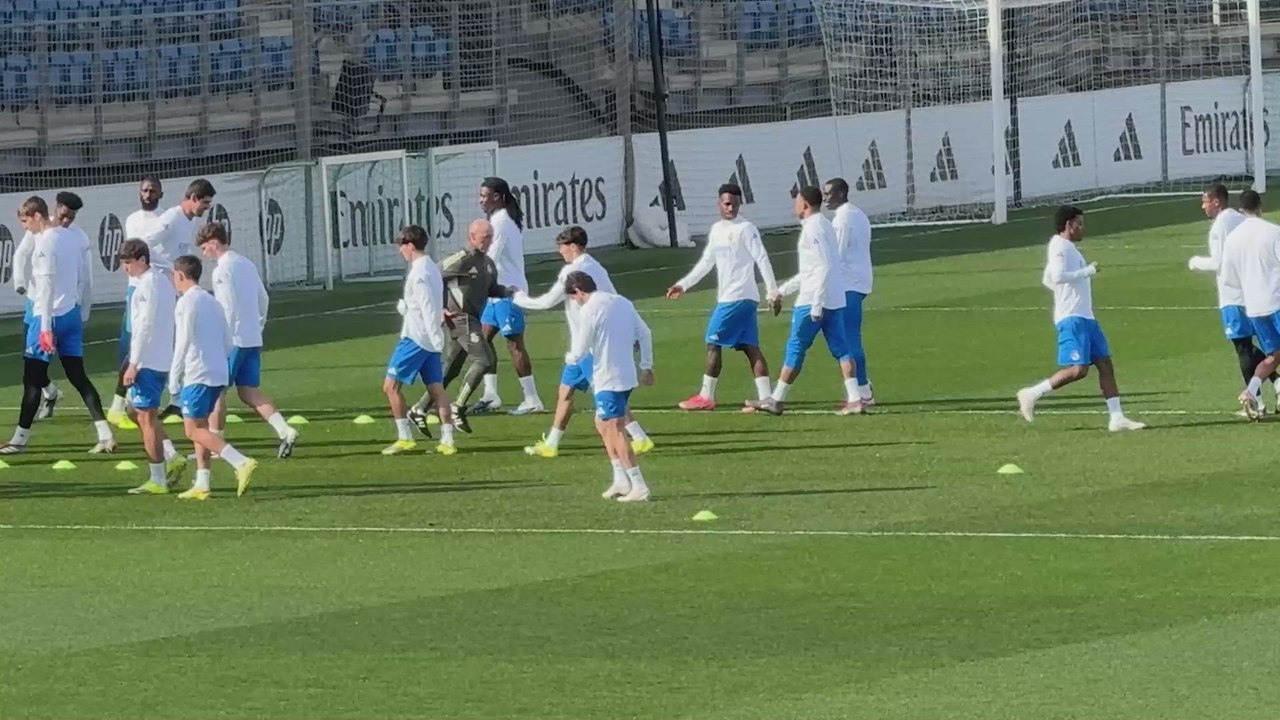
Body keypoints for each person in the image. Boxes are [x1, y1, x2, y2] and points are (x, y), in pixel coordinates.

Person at [514, 226, 654, 458]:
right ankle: (552, 443)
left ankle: (639, 440)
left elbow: (548, 301)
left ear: (573, 246)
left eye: (562, 248)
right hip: (583, 345)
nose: (561, 253)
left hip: (590, 347)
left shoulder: (574, 270)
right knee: (565, 391)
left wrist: (518, 298)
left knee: (607, 397)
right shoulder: (595, 266)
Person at [0, 197, 115, 455]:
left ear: (37, 216)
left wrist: (44, 327)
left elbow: (47, 286)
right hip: (70, 315)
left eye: (25, 221)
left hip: (48, 317)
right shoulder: (74, 237)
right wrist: (83, 311)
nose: (25, 228)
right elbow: (85, 278)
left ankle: (20, 438)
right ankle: (105, 433)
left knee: (31, 379)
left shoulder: (45, 242)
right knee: (77, 375)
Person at [1016, 206, 1145, 431]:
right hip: (1072, 317)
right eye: (1079, 224)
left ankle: (1117, 417)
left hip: (1086, 316)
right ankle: (1032, 394)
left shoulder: (1067, 248)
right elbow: (1056, 276)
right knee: (1078, 369)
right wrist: (1087, 272)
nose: (1082, 228)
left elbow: (1047, 279)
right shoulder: (1059, 246)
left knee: (1105, 365)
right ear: (1069, 225)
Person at [746, 187, 861, 416]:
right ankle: (856, 398)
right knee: (841, 349)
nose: (794, 205)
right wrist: (781, 291)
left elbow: (823, 267)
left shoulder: (814, 229)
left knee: (796, 346)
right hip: (834, 299)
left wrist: (816, 304)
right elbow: (812, 270)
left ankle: (776, 399)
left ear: (805, 204)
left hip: (814, 301)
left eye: (797, 201)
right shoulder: (824, 225)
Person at [666, 183, 778, 411]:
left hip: (737, 297)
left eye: (735, 204)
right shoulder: (717, 229)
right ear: (719, 203)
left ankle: (706, 396)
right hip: (737, 298)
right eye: (726, 204)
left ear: (740, 204)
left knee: (712, 342)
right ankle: (766, 398)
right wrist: (683, 284)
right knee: (750, 347)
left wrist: (772, 291)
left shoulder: (746, 228)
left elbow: (762, 259)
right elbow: (707, 262)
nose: (730, 208)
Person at [195, 222, 300, 458]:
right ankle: (285, 430)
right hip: (252, 338)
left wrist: (222, 339)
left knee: (216, 392)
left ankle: (215, 444)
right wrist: (258, 325)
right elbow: (263, 298)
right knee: (248, 392)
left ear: (213, 243)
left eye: (204, 248)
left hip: (233, 340)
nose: (204, 254)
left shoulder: (222, 270)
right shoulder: (246, 263)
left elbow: (227, 308)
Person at [169, 255, 258, 498]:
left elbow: (183, 340)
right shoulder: (212, 301)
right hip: (218, 373)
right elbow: (229, 341)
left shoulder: (186, 303)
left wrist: (174, 376)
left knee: (191, 430)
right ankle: (202, 482)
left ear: (179, 275)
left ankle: (240, 461)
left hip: (198, 373)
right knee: (201, 427)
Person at [563, 271, 655, 502]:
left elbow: (581, 348)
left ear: (578, 291)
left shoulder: (589, 310)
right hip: (626, 375)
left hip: (607, 377)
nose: (575, 302)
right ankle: (621, 479)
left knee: (614, 429)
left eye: (574, 297)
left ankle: (639, 485)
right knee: (601, 423)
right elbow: (644, 332)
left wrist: (571, 358)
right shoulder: (622, 301)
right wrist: (646, 365)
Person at [408, 218, 505, 435]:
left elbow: (490, 289)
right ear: (472, 237)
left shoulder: (488, 263)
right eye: (484, 237)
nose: (488, 241)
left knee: (450, 369)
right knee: (485, 359)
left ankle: (419, 408)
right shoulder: (461, 259)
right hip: (460, 318)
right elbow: (434, 276)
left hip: (473, 318)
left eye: (490, 236)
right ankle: (458, 407)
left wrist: (507, 291)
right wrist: (440, 307)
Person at [1189, 184, 1280, 414]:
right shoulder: (1258, 226)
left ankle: (1254, 397)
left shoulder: (1228, 231)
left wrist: (1195, 262)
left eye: (1205, 201)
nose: (1203, 206)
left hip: (1246, 301)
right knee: (1259, 351)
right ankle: (1269, 389)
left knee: (1255, 351)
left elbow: (1224, 269)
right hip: (1264, 297)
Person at [135, 178, 216, 421]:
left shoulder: (187, 221)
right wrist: (170, 268)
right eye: (204, 203)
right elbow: (146, 244)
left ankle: (175, 399)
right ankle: (144, 397)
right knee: (167, 340)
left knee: (181, 338)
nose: (206, 208)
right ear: (192, 198)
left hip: (177, 289)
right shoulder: (172, 217)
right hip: (163, 288)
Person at [117, 240, 188, 495]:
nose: (125, 268)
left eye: (129, 263)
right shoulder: (161, 281)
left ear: (143, 260)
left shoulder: (147, 285)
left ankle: (157, 479)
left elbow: (144, 327)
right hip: (160, 357)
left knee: (146, 418)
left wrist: (133, 364)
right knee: (134, 412)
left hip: (148, 361)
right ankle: (171, 454)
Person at [469, 177, 544, 416]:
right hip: (495, 292)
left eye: (485, 196)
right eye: (480, 195)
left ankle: (532, 398)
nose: (481, 200)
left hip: (509, 292)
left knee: (514, 344)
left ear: (498, 197)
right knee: (482, 341)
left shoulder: (500, 222)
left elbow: (490, 256)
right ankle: (491, 395)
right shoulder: (498, 219)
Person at [382, 225, 457, 456]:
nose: (400, 251)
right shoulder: (432, 267)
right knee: (436, 389)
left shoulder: (419, 272)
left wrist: (433, 333)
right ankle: (447, 439)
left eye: (402, 246)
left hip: (416, 338)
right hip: (429, 338)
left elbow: (425, 305)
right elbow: (432, 301)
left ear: (410, 245)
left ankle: (405, 437)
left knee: (390, 386)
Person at [108, 174, 165, 428]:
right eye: (144, 190)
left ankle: (156, 399)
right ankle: (120, 403)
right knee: (131, 342)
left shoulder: (165, 220)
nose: (148, 194)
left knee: (161, 341)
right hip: (137, 288)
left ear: (160, 194)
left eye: (152, 190)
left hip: (159, 285)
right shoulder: (132, 219)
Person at [1218, 191, 1280, 420]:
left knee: (1273, 356)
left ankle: (1250, 390)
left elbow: (1228, 278)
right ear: (1260, 206)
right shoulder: (1273, 232)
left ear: (1240, 209)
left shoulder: (1233, 239)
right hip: (1276, 300)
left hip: (1254, 306)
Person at [824, 177, 876, 406]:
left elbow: (835, 256)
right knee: (849, 338)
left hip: (849, 285)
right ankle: (863, 391)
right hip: (857, 282)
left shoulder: (843, 218)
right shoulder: (856, 213)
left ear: (842, 194)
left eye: (829, 193)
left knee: (849, 340)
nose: (825, 198)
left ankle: (863, 393)